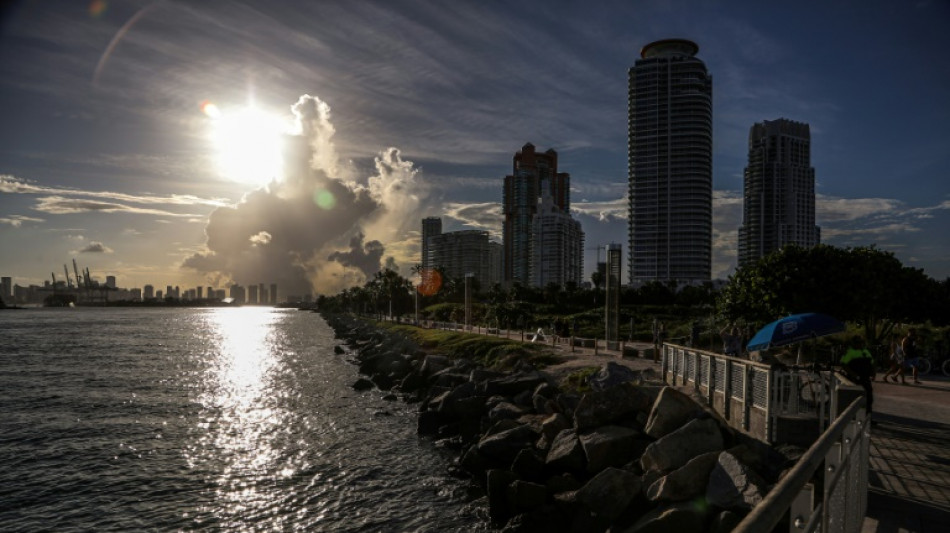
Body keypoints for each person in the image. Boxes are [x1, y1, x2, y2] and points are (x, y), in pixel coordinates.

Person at [841, 335, 874, 415]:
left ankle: (867, 415)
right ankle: (854, 415)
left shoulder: (865, 352)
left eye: (861, 342)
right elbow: (844, 364)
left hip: (865, 378)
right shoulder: (850, 352)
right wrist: (854, 375)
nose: (860, 344)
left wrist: (873, 373)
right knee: (855, 398)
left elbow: (871, 362)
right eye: (858, 342)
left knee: (869, 397)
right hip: (855, 379)